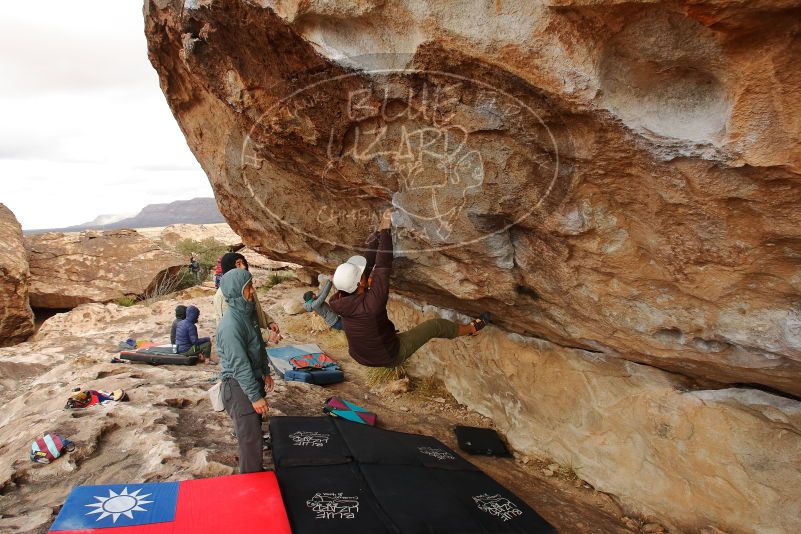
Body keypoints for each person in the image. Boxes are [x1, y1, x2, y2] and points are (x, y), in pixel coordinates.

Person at [329, 209, 491, 368]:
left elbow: (367, 263)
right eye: (362, 275)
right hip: (388, 356)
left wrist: (379, 232)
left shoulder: (340, 298)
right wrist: (386, 230)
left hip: (361, 354)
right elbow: (383, 263)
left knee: (380, 328)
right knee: (435, 326)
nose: (363, 272)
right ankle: (471, 329)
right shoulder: (372, 304)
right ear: (361, 283)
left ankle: (386, 339)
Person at [217, 268, 274, 474]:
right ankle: (251, 481)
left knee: (253, 434)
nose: (253, 290)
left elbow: (257, 345)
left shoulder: (246, 313)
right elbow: (239, 365)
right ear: (236, 292)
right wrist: (254, 396)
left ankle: (254, 473)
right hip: (238, 387)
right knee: (250, 440)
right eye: (248, 287)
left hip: (250, 381)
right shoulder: (231, 325)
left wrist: (265, 371)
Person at [213, 252, 280, 340]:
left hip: (255, 341)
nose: (244, 267)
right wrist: (266, 335)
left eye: (243, 263)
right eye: (238, 264)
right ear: (229, 267)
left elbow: (253, 309)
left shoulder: (246, 286)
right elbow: (235, 327)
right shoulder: (223, 294)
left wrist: (269, 322)